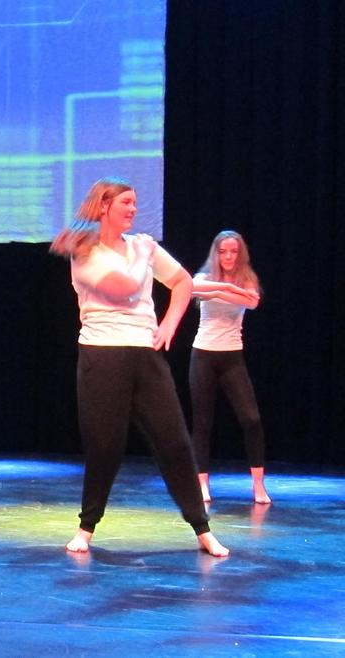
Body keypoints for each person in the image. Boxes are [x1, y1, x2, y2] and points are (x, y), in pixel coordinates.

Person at [49, 176, 228, 557]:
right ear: (104, 207)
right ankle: (86, 527)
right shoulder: (85, 251)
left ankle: (202, 529)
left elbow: (182, 282)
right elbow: (126, 288)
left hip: (145, 355)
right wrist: (144, 254)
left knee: (175, 442)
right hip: (102, 355)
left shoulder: (140, 245)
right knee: (105, 447)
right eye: (126, 202)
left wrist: (169, 324)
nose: (133, 209)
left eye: (134, 202)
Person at [189, 230, 268, 504]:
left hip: (232, 356)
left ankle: (258, 485)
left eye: (233, 251)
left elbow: (253, 302)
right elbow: (191, 289)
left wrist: (225, 290)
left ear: (240, 253)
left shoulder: (247, 279)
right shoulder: (203, 278)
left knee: (251, 419)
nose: (228, 257)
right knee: (202, 422)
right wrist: (228, 290)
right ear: (216, 253)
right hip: (203, 355)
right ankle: (202, 484)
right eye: (223, 252)